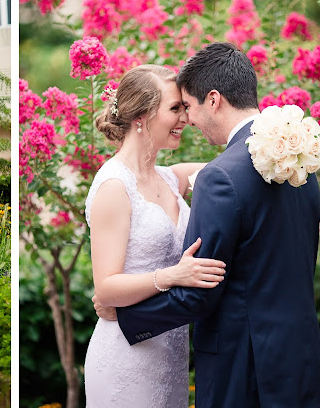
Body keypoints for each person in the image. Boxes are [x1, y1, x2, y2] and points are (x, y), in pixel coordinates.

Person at [97, 43, 320, 407]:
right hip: (301, 357)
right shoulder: (299, 161)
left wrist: (126, 315)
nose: (186, 119)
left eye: (186, 106)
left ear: (213, 99)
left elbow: (201, 289)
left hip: (244, 365)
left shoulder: (222, 177)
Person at [83, 64, 227, 407]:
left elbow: (229, 171)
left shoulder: (170, 178)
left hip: (169, 353)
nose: (186, 118)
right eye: (175, 108)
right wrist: (173, 276)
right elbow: (106, 288)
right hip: (125, 357)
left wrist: (271, 142)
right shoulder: (114, 187)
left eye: (185, 108)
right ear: (142, 116)